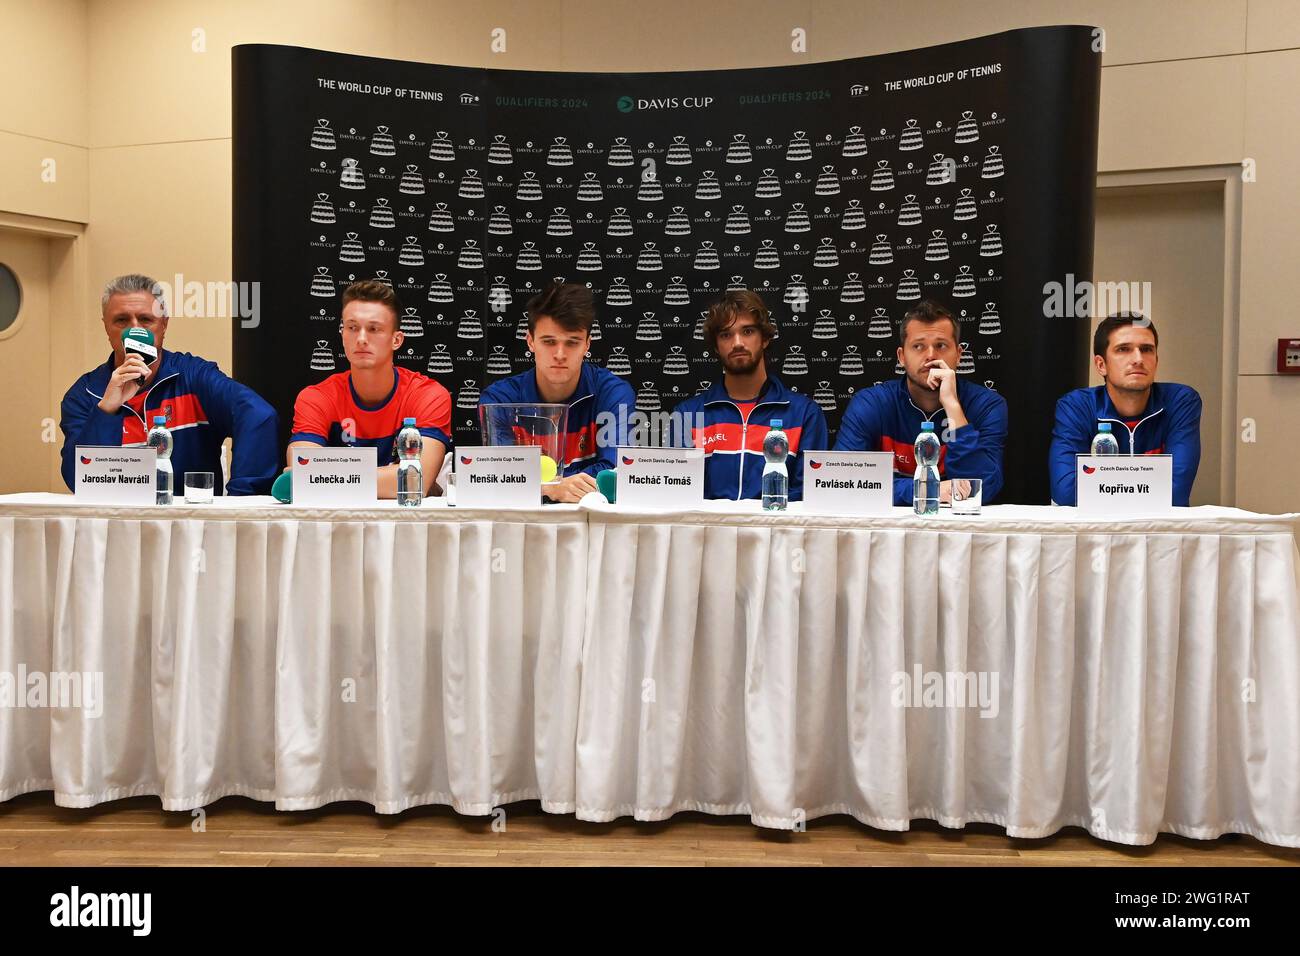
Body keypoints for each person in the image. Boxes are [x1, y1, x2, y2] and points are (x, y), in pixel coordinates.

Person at [59, 273, 278, 495]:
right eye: (122, 320)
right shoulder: (84, 394)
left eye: (146, 319)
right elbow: (78, 480)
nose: (136, 329)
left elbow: (258, 415)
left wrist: (240, 502)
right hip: (119, 523)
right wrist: (107, 410)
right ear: (107, 327)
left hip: (188, 525)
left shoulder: (193, 377)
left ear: (163, 325)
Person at [834, 299, 1007, 504]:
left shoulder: (987, 405)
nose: (931, 355)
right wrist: (927, 490)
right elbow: (843, 480)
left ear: (959, 355)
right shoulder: (872, 404)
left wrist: (952, 405)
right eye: (918, 346)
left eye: (941, 345)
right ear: (902, 356)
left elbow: (984, 487)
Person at [288, 279, 450, 498]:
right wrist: (393, 478)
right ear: (342, 334)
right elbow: (302, 473)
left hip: (407, 524)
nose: (361, 339)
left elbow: (414, 483)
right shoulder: (315, 397)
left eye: (374, 329)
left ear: (397, 340)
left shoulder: (428, 395)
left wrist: (324, 476)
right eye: (352, 327)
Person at [479, 281, 634, 503]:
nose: (560, 354)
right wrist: (553, 488)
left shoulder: (613, 393)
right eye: (549, 341)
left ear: (587, 345)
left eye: (572, 342)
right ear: (530, 341)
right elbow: (501, 477)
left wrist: (549, 485)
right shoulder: (498, 399)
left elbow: (615, 472)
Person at [670, 289, 827, 501]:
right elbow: (677, 497)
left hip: (775, 533)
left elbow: (808, 499)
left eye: (747, 332)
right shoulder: (687, 416)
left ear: (765, 339)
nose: (737, 343)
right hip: (707, 534)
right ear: (716, 347)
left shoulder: (804, 414)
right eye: (726, 334)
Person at [1049, 312, 1201, 506]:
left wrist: (1101, 487)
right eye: (1123, 349)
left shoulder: (1180, 401)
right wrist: (1150, 485)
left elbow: (1176, 494)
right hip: (1095, 532)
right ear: (1101, 364)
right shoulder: (1076, 406)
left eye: (1146, 349)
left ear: (1156, 361)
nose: (1138, 358)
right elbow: (1067, 493)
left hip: (1156, 533)